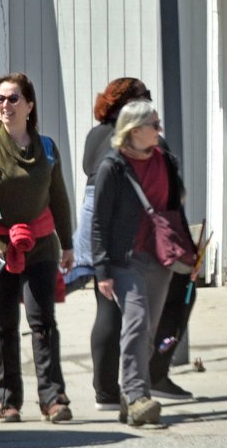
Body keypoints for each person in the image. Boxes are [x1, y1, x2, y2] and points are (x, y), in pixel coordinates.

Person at [69, 78, 195, 410]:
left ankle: (125, 393)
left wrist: (189, 256)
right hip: (125, 257)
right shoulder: (113, 165)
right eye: (154, 124)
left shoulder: (163, 159)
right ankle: (138, 396)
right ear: (135, 129)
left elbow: (174, 208)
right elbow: (99, 221)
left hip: (159, 257)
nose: (160, 129)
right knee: (136, 321)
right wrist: (102, 269)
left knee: (146, 329)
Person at [0, 72, 74, 423]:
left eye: (13, 98)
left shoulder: (47, 148)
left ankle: (53, 398)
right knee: (5, 326)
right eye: (0, 99)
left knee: (43, 322)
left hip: (41, 245)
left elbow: (58, 199)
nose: (5, 105)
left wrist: (69, 244)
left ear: (29, 105)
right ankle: (7, 399)